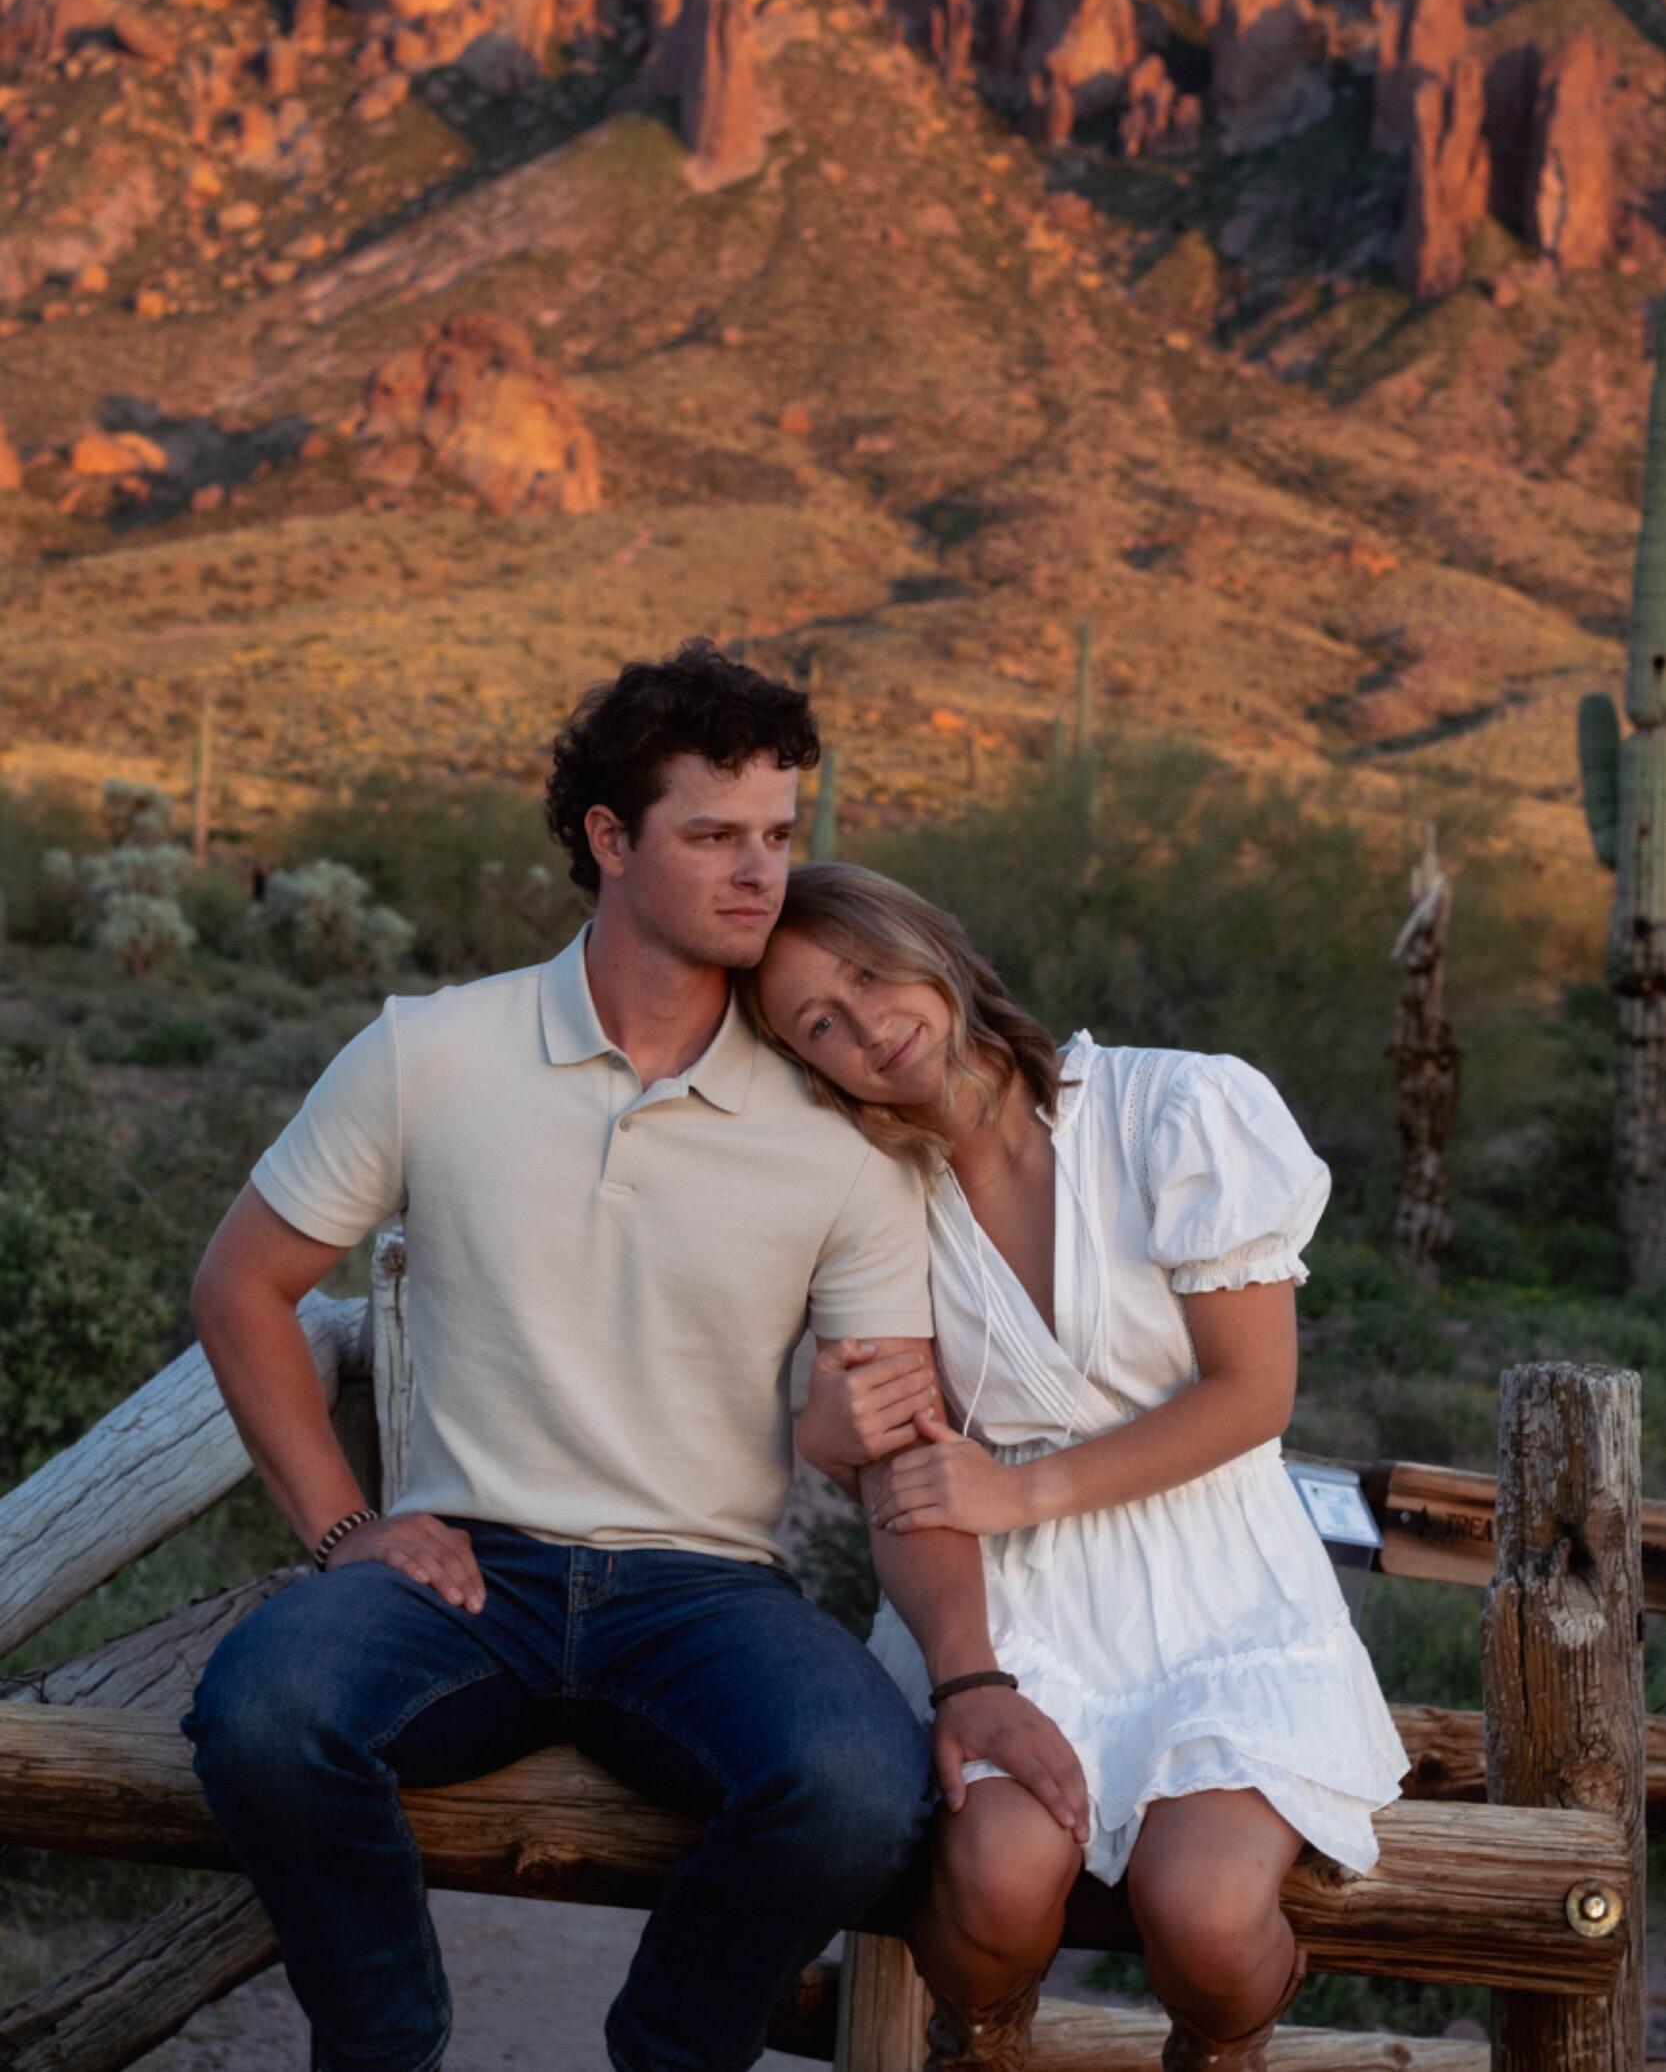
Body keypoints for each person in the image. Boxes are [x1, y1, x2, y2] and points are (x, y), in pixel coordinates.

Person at [182, 643, 1090, 2072]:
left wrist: (968, 1674)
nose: (758, 872)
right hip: (462, 1578)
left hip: (703, 1595)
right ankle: (385, 2043)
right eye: (713, 834)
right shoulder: (432, 1053)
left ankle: (668, 2048)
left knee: (855, 1792)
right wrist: (347, 1526)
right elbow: (242, 1281)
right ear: (609, 839)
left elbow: (902, 1442)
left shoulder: (835, 1131)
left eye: (779, 836)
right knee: (265, 1712)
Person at [748, 862, 1410, 2072]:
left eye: (863, 967)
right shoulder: (876, 1205)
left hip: (1218, 1586)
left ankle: (1223, 2044)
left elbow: (1251, 1395)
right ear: (808, 1067)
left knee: (1205, 1915)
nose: (865, 1020)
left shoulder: (1175, 1110)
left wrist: (1024, 1485)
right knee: (999, 1885)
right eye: (817, 1024)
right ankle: (980, 2040)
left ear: (931, 941)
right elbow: (906, 1476)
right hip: (1002, 1601)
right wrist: (844, 1460)